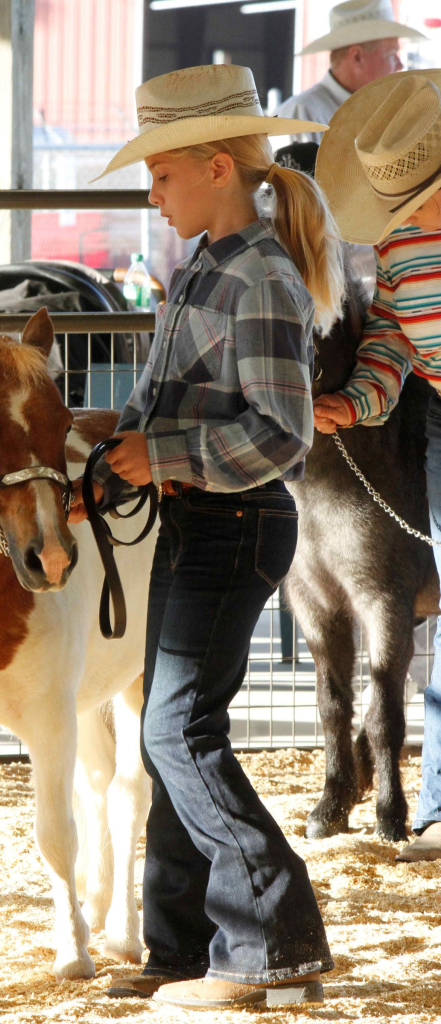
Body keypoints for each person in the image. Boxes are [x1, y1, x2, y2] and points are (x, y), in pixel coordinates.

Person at [69, 63, 344, 1010]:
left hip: (236, 522)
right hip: (201, 521)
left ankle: (271, 941)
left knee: (176, 730)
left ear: (217, 166)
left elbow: (282, 434)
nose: (150, 192)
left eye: (161, 174)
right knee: (167, 736)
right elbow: (156, 408)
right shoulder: (203, 267)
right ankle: (182, 947)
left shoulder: (258, 275)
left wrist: (162, 454)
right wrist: (97, 458)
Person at [313, 71, 441, 863]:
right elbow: (392, 331)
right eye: (390, 209)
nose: (400, 223)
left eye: (415, 200)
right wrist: (354, 403)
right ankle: (438, 804)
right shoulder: (401, 244)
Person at [274, 0, 425, 146]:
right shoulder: (302, 114)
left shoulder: (381, 110)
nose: (400, 64)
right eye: (391, 55)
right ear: (357, 57)